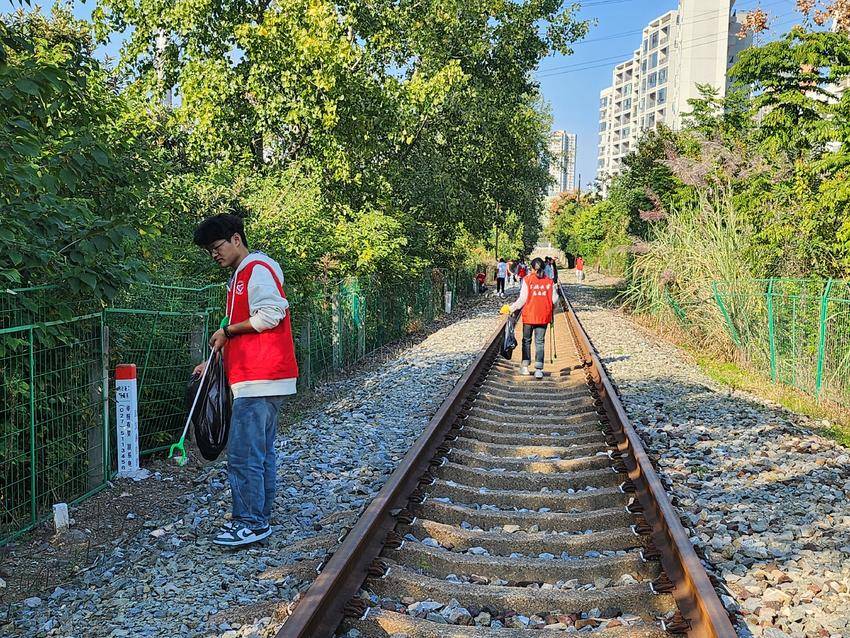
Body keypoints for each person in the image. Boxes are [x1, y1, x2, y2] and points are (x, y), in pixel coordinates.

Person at [192, 214, 298, 548]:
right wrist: (215, 359)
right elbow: (244, 329)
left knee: (243, 454)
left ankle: (250, 522)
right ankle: (259, 517)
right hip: (260, 376)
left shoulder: (256, 270)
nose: (214, 254)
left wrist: (227, 330)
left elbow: (271, 314)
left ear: (236, 239)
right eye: (210, 250)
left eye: (217, 246)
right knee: (261, 453)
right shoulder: (241, 275)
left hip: (260, 376)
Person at [502, 257, 558, 379]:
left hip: (529, 316)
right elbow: (555, 300)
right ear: (544, 268)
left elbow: (522, 299)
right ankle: (539, 370)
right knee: (540, 342)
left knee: (526, 341)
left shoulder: (527, 280)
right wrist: (552, 311)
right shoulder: (549, 282)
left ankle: (525, 367)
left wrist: (511, 308)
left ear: (532, 268)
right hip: (543, 316)